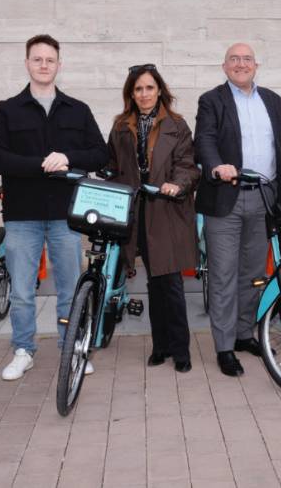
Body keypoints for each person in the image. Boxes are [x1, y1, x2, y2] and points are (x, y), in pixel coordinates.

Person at [0, 34, 108, 380]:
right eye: (37, 59)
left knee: (69, 290)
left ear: (58, 64)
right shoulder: (7, 109)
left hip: (65, 216)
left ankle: (72, 348)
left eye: (49, 60)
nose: (43, 65)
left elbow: (100, 154)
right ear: (27, 63)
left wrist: (67, 158)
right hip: (22, 216)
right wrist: (40, 164)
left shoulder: (77, 109)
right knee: (22, 291)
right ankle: (23, 350)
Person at [194, 43, 281, 377]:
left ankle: (244, 333)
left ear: (256, 65)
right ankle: (224, 347)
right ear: (224, 66)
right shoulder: (211, 100)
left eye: (246, 59)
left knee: (254, 273)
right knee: (224, 275)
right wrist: (216, 166)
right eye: (234, 59)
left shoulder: (271, 99)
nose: (240, 64)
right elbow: (204, 141)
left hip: (264, 197)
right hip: (225, 197)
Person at [107, 64, 199, 373]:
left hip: (167, 209)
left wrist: (177, 184)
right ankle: (161, 346)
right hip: (138, 212)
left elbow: (187, 165)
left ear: (159, 90)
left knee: (170, 282)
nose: (144, 94)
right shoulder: (121, 127)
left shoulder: (177, 125)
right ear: (131, 94)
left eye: (149, 87)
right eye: (138, 89)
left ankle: (180, 349)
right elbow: (113, 165)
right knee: (153, 282)